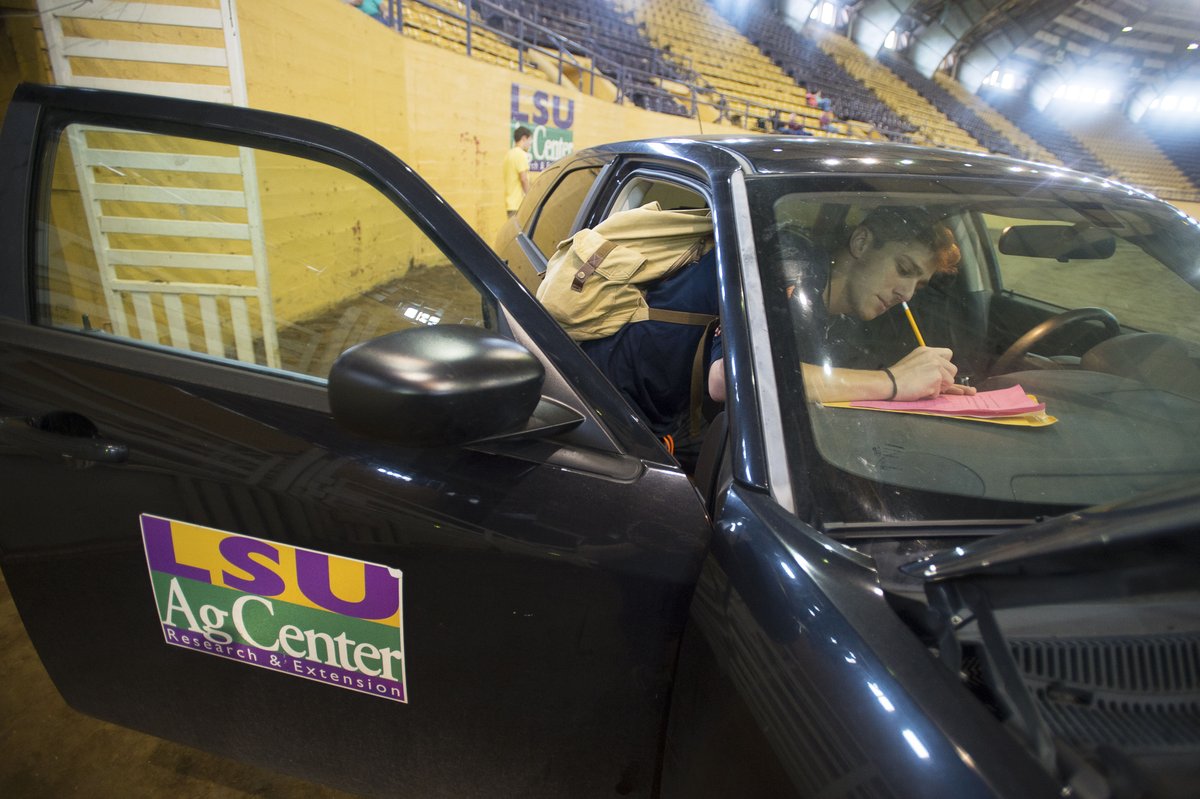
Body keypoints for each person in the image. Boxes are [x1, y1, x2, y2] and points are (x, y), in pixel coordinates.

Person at [708, 206, 974, 405]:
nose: (906, 294)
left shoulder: (849, 324)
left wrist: (918, 384)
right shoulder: (790, 266)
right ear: (861, 243)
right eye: (903, 269)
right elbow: (727, 379)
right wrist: (892, 382)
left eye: (919, 286)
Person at [503, 126, 532, 218]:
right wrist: (530, 198)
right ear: (524, 138)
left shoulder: (509, 154)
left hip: (510, 204)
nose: (530, 144)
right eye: (530, 140)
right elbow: (523, 179)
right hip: (518, 205)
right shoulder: (520, 154)